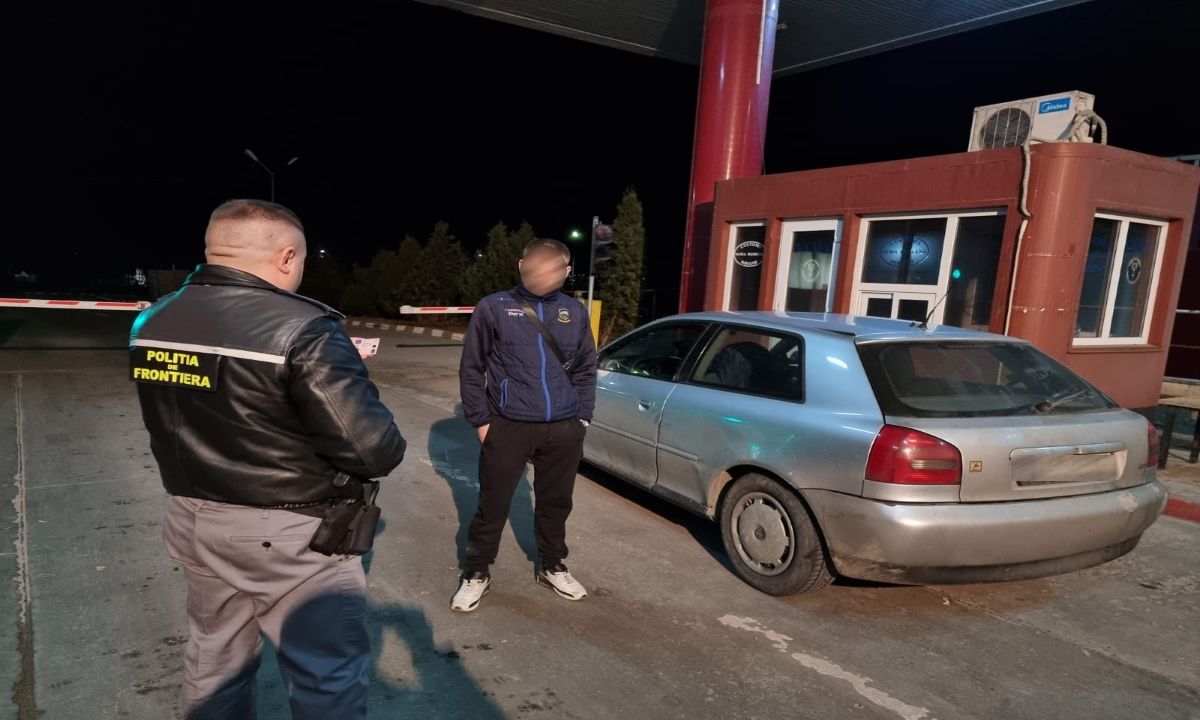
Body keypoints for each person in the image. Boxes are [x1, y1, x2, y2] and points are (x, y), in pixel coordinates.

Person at [130, 199, 406, 719]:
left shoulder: (155, 317)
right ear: (286, 257)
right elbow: (373, 449)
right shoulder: (305, 328)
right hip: (287, 535)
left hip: (193, 518)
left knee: (214, 660)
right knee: (326, 677)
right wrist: (345, 372)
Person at [453, 238, 598, 612]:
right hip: (508, 425)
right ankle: (477, 571)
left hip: (563, 427)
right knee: (493, 504)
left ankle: (553, 566)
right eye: (536, 265)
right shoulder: (494, 307)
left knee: (556, 503)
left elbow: (585, 368)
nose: (543, 274)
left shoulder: (574, 311)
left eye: (553, 267)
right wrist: (481, 421)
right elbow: (472, 369)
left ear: (567, 271)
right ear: (521, 266)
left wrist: (582, 416)